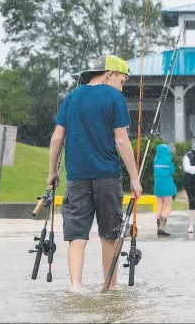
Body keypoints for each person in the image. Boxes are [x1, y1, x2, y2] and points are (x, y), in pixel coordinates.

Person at [47, 54, 143, 292]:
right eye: (122, 79)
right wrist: (134, 176)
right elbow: (121, 141)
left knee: (77, 234)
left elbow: (57, 136)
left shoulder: (72, 96)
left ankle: (75, 285)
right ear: (110, 74)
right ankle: (110, 286)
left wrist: (52, 172)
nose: (123, 85)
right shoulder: (114, 97)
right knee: (109, 234)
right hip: (107, 176)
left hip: (76, 177)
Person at [153, 143, 178, 236]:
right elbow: (172, 170)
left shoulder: (155, 161)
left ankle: (158, 227)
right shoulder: (168, 161)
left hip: (157, 184)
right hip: (166, 184)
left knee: (159, 205)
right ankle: (162, 228)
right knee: (168, 206)